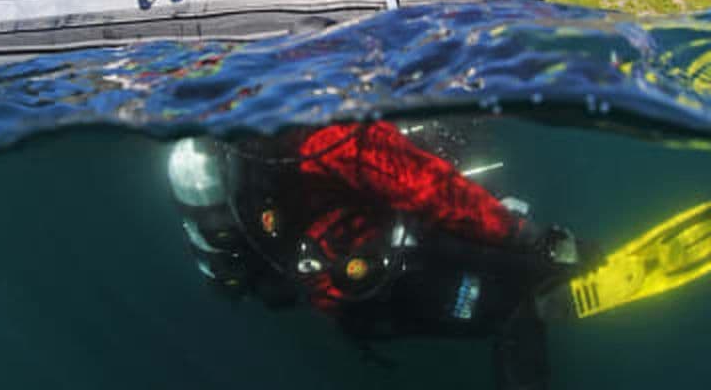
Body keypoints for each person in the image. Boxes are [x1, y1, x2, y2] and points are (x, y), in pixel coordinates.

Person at [168, 122, 711, 390]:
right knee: (519, 300)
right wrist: (530, 236)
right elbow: (427, 188)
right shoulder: (316, 138)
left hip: (353, 304)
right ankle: (535, 297)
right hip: (386, 276)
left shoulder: (243, 174)